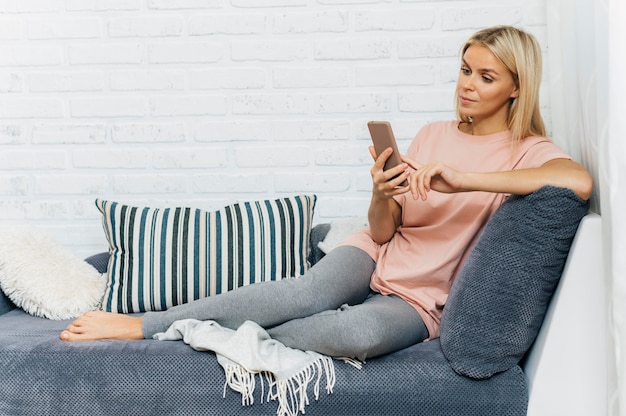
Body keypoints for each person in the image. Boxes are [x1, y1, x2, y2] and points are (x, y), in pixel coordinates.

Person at [61, 26, 593, 362]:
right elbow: (387, 229)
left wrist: (465, 179)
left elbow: (578, 181)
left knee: (358, 334)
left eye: (485, 76)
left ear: (516, 87)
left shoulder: (528, 149)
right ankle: (144, 325)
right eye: (463, 70)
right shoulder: (435, 133)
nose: (467, 85)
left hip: (421, 297)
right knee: (302, 292)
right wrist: (381, 192)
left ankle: (221, 332)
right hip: (378, 250)